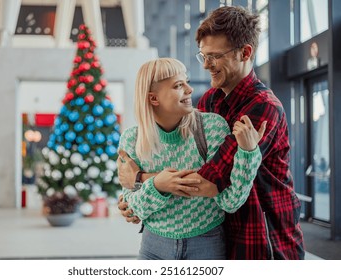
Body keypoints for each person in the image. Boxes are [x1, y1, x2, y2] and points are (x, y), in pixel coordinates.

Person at [117, 6, 305, 260]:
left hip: (263, 234)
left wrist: (141, 178)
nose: (206, 65)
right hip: (220, 232)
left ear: (245, 53)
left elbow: (211, 180)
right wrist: (138, 197)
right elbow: (192, 166)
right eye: (203, 56)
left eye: (214, 56)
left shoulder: (264, 108)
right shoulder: (210, 101)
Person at [119, 57, 265, 260]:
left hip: (206, 244)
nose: (189, 90)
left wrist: (247, 153)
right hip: (153, 248)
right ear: (154, 99)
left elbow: (230, 201)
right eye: (178, 85)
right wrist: (158, 185)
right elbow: (132, 210)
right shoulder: (132, 139)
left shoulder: (212, 127)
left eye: (186, 81)